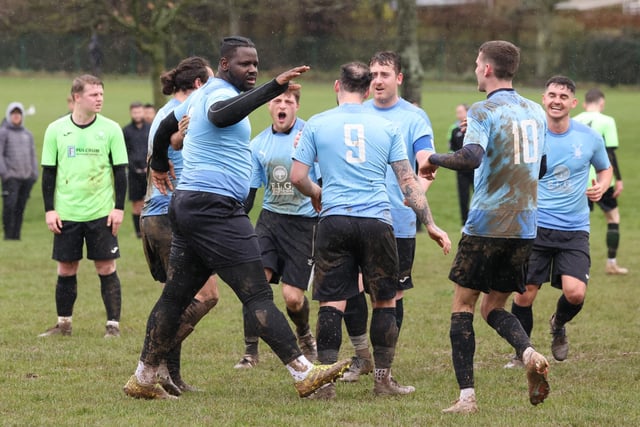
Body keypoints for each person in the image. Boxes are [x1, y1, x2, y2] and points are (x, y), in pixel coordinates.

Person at [123, 36, 349, 401]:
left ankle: (144, 376)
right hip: (214, 208)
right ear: (226, 64)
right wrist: (271, 87)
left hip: (189, 206)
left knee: (176, 295)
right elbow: (220, 115)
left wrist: (161, 163)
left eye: (257, 64)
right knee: (258, 294)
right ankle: (303, 372)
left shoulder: (198, 94)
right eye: (246, 64)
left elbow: (166, 125)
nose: (254, 69)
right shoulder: (214, 96)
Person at [291, 61, 450, 399]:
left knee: (332, 303)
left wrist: (316, 193)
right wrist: (431, 224)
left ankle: (325, 384)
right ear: (366, 91)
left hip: (333, 220)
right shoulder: (386, 126)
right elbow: (408, 182)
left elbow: (296, 177)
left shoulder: (317, 124)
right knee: (384, 301)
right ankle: (383, 380)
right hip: (377, 221)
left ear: (337, 86)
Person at [419, 40, 550, 413]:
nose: (476, 69)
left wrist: (431, 157)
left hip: (486, 224)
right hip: (525, 226)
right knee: (494, 307)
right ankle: (527, 353)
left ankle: (467, 398)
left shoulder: (482, 110)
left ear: (488, 69)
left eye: (478, 63)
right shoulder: (535, 111)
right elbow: (539, 168)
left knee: (463, 305)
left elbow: (470, 157)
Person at [339, 51, 436, 383]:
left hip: (398, 221)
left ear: (399, 78)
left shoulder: (414, 118)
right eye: (373, 74)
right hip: (356, 218)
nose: (377, 80)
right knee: (353, 287)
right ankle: (361, 355)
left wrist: (416, 194)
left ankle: (385, 365)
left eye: (384, 73)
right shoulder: (356, 113)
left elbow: (425, 163)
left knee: (391, 294)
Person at [508, 76, 612, 368]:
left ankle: (558, 323)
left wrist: (602, 186)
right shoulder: (531, 134)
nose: (556, 100)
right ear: (543, 98)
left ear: (573, 103)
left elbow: (605, 169)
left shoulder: (589, 137)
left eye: (563, 96)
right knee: (524, 294)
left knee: (575, 293)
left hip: (574, 228)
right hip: (535, 225)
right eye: (552, 95)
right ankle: (521, 352)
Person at [140, 56, 220, 393]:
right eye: (213, 81)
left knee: (174, 297)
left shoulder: (165, 111)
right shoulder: (184, 114)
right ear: (200, 84)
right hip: (172, 216)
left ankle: (169, 375)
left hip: (157, 216)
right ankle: (153, 363)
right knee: (207, 294)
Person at [234, 86, 318, 369]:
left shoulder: (311, 135)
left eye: (288, 101)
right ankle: (250, 351)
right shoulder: (257, 144)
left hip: (305, 223)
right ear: (270, 107)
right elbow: (250, 193)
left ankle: (304, 333)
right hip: (270, 220)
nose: (282, 105)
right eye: (277, 100)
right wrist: (233, 221)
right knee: (254, 283)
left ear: (296, 107)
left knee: (293, 298)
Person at [39, 74, 128, 338]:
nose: (99, 99)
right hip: (66, 213)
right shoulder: (55, 129)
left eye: (101, 94)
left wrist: (118, 208)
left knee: (106, 267)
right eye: (93, 94)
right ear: (77, 97)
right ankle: (63, 324)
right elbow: (48, 174)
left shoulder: (111, 129)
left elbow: (120, 172)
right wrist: (50, 209)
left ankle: (113, 326)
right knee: (66, 268)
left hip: (101, 212)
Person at [573, 88, 627, 275]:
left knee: (578, 221)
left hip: (578, 180)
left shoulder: (575, 120)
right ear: (602, 103)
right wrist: (618, 179)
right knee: (613, 218)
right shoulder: (607, 121)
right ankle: (611, 263)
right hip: (602, 180)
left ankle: (575, 264)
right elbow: (610, 154)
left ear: (584, 103)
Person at [0, 102, 38, 240]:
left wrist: (34, 174)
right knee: (10, 206)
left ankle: (16, 235)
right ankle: (8, 235)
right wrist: (5, 173)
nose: (16, 116)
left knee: (20, 207)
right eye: (13, 113)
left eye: (18, 113)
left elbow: (32, 154)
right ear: (9, 115)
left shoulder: (27, 134)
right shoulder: (3, 132)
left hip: (26, 177)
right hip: (11, 177)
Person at [123, 101, 150, 238]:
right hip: (134, 172)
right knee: (137, 204)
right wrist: (132, 167)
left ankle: (149, 229)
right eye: (134, 112)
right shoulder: (126, 131)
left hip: (149, 172)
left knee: (150, 201)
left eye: (139, 112)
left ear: (143, 113)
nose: (137, 115)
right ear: (131, 113)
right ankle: (138, 232)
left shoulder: (150, 128)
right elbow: (124, 151)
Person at [448, 103, 474, 227]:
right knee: (463, 197)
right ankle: (464, 224)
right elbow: (451, 150)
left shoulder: (474, 128)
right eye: (457, 112)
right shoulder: (455, 130)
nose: (458, 114)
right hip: (461, 171)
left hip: (475, 169)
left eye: (460, 112)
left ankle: (478, 222)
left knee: (478, 196)